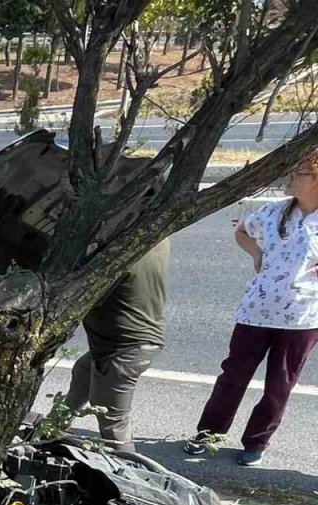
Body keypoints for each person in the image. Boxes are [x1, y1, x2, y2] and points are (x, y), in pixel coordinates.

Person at [186, 152, 318, 466]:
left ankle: (256, 441)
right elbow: (242, 231)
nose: (288, 177)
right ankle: (209, 433)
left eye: (297, 172)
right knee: (233, 376)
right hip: (256, 311)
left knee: (279, 385)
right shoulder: (273, 211)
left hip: (301, 319)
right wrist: (257, 254)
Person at [63, 238, 172, 452]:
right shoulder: (156, 238)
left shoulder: (119, 255)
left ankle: (129, 469)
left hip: (124, 350)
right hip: (129, 342)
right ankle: (50, 432)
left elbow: (82, 295)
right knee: (83, 372)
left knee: (113, 425)